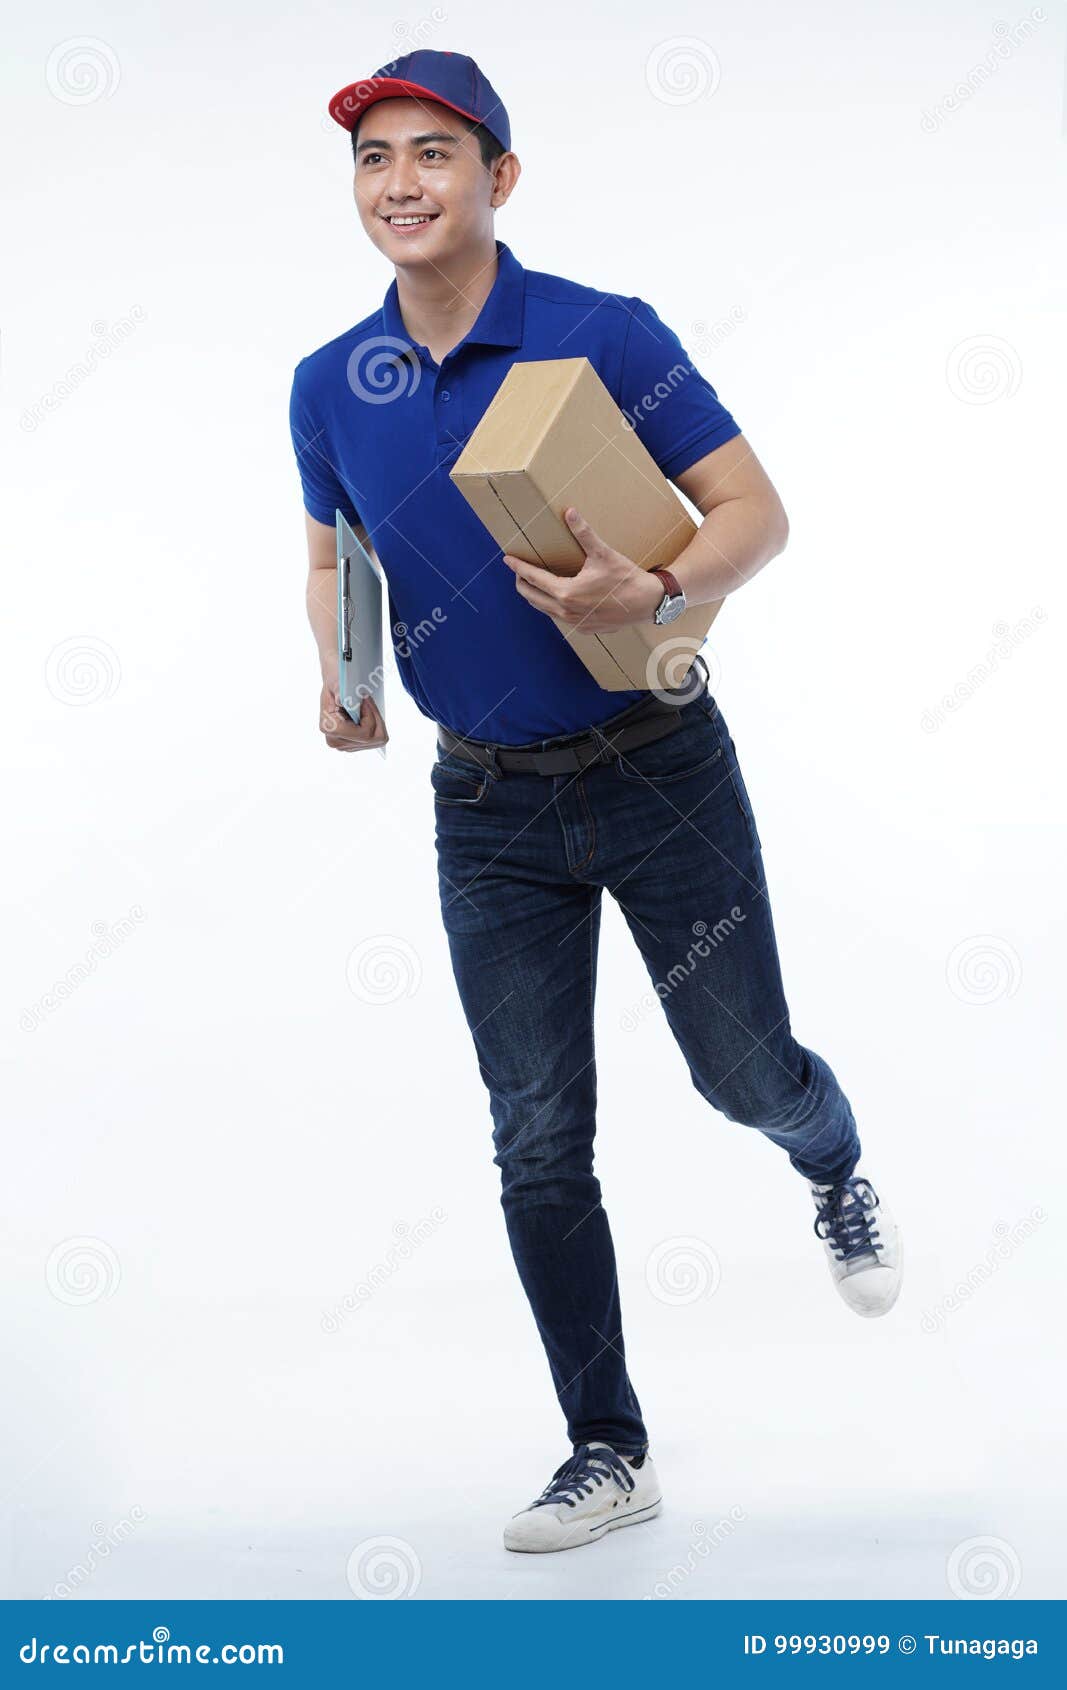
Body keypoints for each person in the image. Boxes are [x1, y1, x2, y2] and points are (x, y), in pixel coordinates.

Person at [289, 49, 902, 1556]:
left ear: (500, 179)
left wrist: (666, 582)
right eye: (375, 161)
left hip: (658, 765)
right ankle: (604, 1446)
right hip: (484, 809)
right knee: (537, 1130)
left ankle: (832, 1160)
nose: (402, 185)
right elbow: (329, 559)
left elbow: (756, 508)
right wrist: (341, 673)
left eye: (436, 154)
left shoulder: (602, 333)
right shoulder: (329, 385)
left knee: (742, 1071)